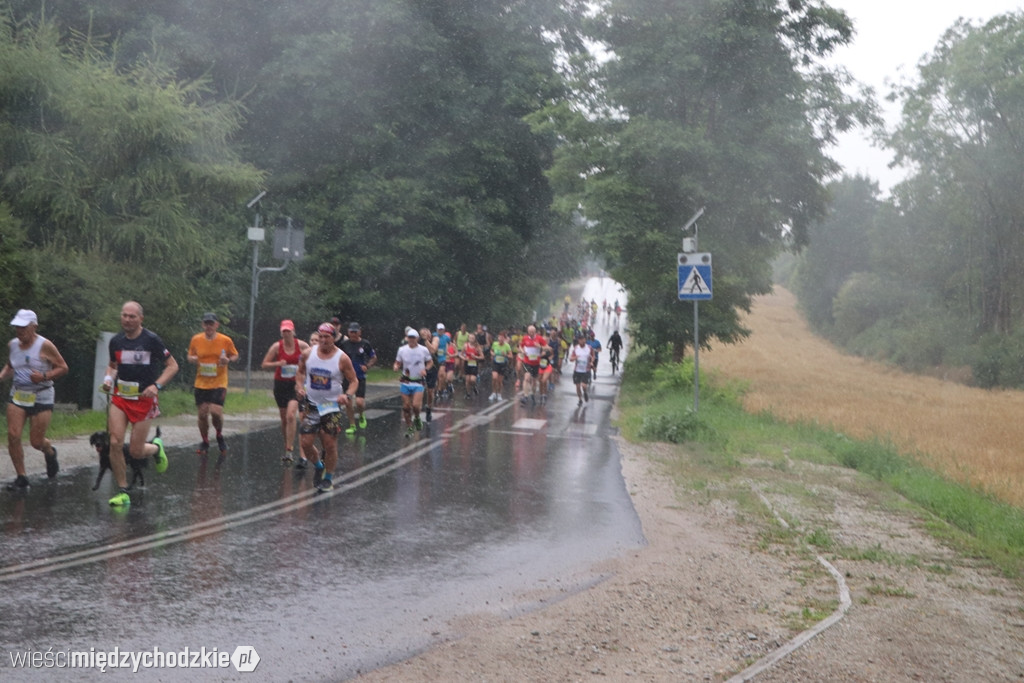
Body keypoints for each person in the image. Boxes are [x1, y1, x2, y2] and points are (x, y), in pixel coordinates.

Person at [102, 301, 179, 506]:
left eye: (132, 317)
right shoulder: (116, 341)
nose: (127, 320)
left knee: (136, 452)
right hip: (120, 398)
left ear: (141, 319)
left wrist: (157, 386)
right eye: (124, 315)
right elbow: (112, 366)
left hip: (144, 400)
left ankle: (155, 448)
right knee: (116, 442)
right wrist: (108, 379)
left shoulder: (151, 340)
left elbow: (172, 366)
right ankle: (123, 490)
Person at [1, 309, 69, 490]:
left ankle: (49, 451)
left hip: (42, 394)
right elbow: (11, 365)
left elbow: (63, 368)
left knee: (36, 442)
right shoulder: (13, 345)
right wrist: (1, 376)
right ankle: (21, 477)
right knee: (13, 435)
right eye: (17, 327)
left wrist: (45, 375)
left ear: (34, 327)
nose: (19, 331)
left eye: (23, 327)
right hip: (19, 394)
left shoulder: (45, 345)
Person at [295, 322, 358, 492]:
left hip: (331, 406)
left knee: (329, 444)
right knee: (306, 442)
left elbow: (353, 381)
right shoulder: (308, 354)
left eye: (327, 337)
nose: (323, 340)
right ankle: (318, 465)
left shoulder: (342, 358)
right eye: (320, 337)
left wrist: (347, 395)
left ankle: (328, 478)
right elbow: (300, 372)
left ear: (333, 338)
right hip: (312, 404)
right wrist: (299, 387)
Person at [187, 312, 239, 456]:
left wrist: (228, 360)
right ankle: (205, 441)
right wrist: (193, 359)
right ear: (203, 325)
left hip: (219, 381)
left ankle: (219, 435)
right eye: (206, 323)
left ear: (217, 325)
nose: (209, 326)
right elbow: (190, 355)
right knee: (202, 414)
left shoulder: (225, 340)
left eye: (211, 323)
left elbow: (235, 355)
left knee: (216, 412)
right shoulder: (196, 339)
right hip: (201, 382)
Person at [261, 319, 311, 463]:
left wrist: (304, 378)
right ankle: (287, 444)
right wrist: (278, 363)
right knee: (284, 419)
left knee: (291, 416)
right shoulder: (277, 346)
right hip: (281, 385)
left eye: (288, 331)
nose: (286, 334)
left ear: (293, 331)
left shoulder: (301, 345)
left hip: (296, 386)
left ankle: (290, 451)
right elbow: (264, 364)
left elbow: (312, 359)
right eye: (284, 331)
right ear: (281, 332)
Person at [338, 322, 377, 434]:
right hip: (347, 377)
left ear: (359, 332)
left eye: (355, 332)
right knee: (348, 402)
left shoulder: (365, 344)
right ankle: (352, 424)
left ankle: (361, 415)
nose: (353, 334)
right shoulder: (344, 344)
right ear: (348, 332)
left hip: (359, 376)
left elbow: (373, 357)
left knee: (359, 402)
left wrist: (367, 366)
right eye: (351, 332)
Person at [394, 327, 433, 436]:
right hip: (405, 381)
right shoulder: (402, 350)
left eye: (413, 338)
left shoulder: (423, 350)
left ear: (417, 339)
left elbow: (430, 362)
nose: (411, 340)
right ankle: (409, 427)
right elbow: (397, 362)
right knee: (406, 407)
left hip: (418, 381)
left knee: (416, 406)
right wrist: (396, 366)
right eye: (409, 338)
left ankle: (416, 417)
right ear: (407, 338)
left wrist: (425, 369)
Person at [517, 324, 546, 405]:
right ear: (528, 332)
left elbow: (547, 348)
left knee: (534, 381)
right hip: (527, 362)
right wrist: (522, 351)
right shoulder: (525, 338)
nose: (531, 333)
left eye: (533, 332)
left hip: (536, 363)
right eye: (530, 332)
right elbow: (520, 346)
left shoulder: (539, 338)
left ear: (535, 331)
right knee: (526, 378)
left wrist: (540, 347)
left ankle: (532, 394)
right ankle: (525, 396)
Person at [419, 327, 438, 421]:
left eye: (427, 332)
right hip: (421, 368)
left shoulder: (435, 338)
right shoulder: (418, 341)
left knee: (430, 391)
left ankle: (429, 408)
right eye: (423, 334)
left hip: (432, 368)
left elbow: (433, 350)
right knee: (419, 390)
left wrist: (426, 340)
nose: (426, 334)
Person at [569, 334, 593, 407]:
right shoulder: (576, 348)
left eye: (582, 339)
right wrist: (575, 357)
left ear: (585, 340)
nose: (581, 341)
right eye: (580, 339)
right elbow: (571, 359)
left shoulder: (589, 348)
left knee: (584, 386)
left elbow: (593, 355)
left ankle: (585, 392)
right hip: (577, 370)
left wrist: (592, 362)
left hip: (586, 370)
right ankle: (580, 399)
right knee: (578, 386)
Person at [488, 331, 512, 401]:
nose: (500, 339)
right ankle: (493, 393)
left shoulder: (507, 346)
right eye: (499, 338)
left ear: (504, 339)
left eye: (502, 338)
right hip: (495, 363)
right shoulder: (495, 344)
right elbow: (491, 351)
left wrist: (505, 355)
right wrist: (492, 353)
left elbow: (511, 356)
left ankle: (499, 394)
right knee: (494, 378)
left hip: (503, 364)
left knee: (499, 381)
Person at [434, 323, 453, 400]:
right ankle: (440, 388)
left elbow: (450, 344)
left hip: (442, 358)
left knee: (441, 374)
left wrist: (449, 352)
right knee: (437, 376)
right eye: (439, 329)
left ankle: (440, 390)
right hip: (435, 358)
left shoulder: (446, 338)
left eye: (442, 329)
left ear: (444, 330)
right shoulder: (434, 336)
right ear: (436, 329)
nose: (440, 331)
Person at [461, 334, 483, 399]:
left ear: (475, 339)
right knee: (467, 380)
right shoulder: (465, 345)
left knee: (472, 380)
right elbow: (461, 354)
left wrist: (476, 357)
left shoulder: (477, 347)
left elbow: (482, 356)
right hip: (467, 364)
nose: (471, 339)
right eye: (470, 338)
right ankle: (468, 393)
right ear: (468, 338)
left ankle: (474, 386)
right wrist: (464, 358)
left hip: (474, 364)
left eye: (473, 338)